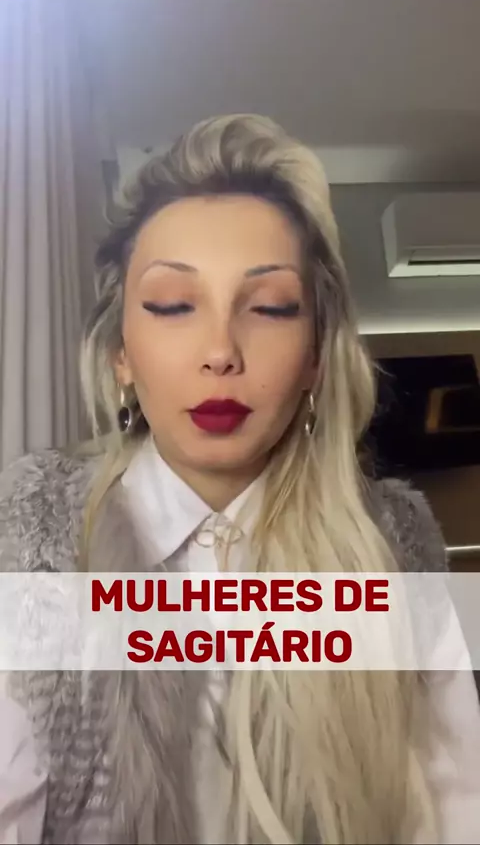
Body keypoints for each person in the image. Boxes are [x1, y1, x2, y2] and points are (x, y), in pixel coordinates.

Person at [0, 113, 479, 845]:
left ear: (315, 354)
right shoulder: (28, 546)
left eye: (269, 308)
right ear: (121, 352)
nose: (220, 351)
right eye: (173, 306)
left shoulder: (394, 548)